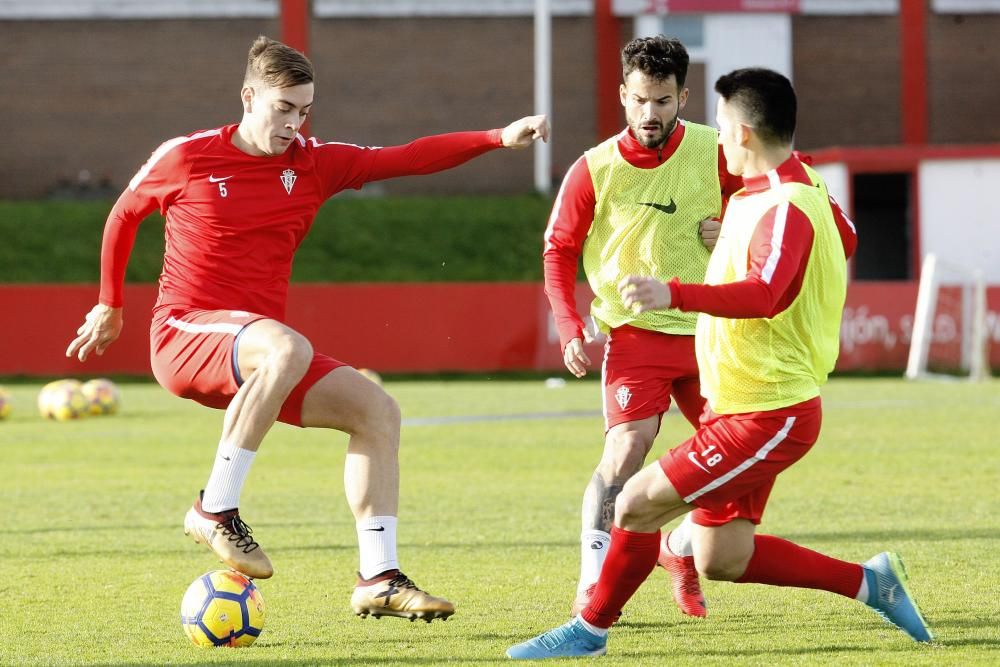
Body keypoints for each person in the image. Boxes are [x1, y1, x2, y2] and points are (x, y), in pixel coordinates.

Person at [66, 35, 548, 623]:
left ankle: (378, 575)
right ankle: (214, 508)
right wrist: (110, 305)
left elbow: (411, 155)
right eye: (283, 108)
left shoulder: (316, 163)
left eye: (303, 110)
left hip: (263, 350)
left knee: (377, 412)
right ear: (249, 97)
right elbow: (124, 214)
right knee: (287, 345)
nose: (294, 122)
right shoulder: (187, 155)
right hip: (186, 334)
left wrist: (498, 137)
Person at [508, 68, 932, 659]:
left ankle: (590, 627)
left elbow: (766, 294)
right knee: (722, 557)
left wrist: (673, 292)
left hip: (766, 408)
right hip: (743, 399)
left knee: (635, 502)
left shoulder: (787, 203)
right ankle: (871, 582)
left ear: (742, 132)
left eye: (723, 129)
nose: (716, 140)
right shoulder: (760, 192)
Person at [542, 34, 742, 618]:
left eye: (661, 100)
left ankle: (678, 548)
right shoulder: (594, 167)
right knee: (625, 451)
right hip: (636, 336)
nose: (648, 113)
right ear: (623, 96)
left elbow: (765, 208)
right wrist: (569, 326)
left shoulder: (717, 150)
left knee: (734, 464)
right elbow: (558, 248)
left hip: (715, 332)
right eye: (638, 100)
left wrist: (731, 228)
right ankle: (591, 580)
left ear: (683, 95)